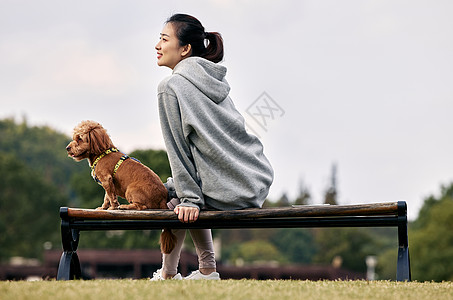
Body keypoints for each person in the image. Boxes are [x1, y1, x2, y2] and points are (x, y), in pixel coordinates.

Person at [151, 13, 274, 280]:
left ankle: (169, 276)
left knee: (174, 199)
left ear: (185, 49)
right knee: (182, 192)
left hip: (228, 189)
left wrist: (190, 200)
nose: (157, 46)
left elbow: (179, 151)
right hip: (253, 181)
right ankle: (204, 271)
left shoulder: (170, 87)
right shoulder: (211, 79)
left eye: (164, 39)